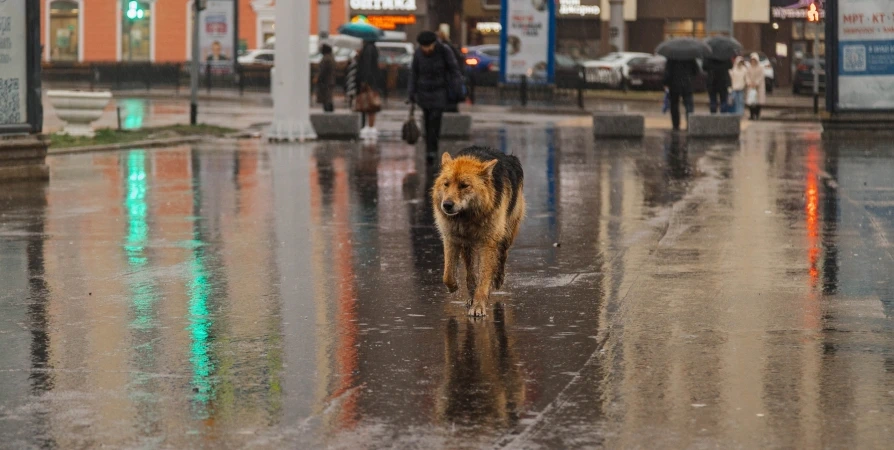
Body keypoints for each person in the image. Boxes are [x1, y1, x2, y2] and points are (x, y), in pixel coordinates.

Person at [408, 31, 463, 155]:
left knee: (435, 118)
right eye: (424, 47)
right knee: (427, 120)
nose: (426, 49)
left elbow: (454, 70)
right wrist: (411, 93)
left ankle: (433, 149)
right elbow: (414, 74)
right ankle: (429, 148)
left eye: (428, 46)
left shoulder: (444, 50)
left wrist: (456, 89)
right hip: (423, 92)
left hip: (439, 91)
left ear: (434, 44)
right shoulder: (418, 54)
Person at [663, 58, 700, 131]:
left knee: (674, 105)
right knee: (689, 105)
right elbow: (696, 71)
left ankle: (676, 125)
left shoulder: (672, 57)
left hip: (674, 84)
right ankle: (689, 124)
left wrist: (665, 82)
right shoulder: (690, 57)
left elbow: (667, 71)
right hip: (687, 84)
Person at [356, 39, 383, 138]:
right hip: (372, 80)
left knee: (369, 103)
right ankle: (369, 126)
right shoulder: (371, 48)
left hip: (369, 81)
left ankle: (369, 126)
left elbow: (366, 66)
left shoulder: (368, 49)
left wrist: (365, 81)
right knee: (370, 103)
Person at [437, 30, 465, 113]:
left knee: (448, 104)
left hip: (449, 80)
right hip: (451, 80)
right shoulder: (449, 46)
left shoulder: (445, 48)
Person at [745, 53, 766, 120]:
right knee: (751, 102)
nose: (753, 61)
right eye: (752, 60)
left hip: (758, 87)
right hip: (751, 86)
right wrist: (749, 82)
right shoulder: (749, 67)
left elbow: (761, 76)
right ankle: (751, 115)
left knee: (758, 102)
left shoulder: (761, 67)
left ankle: (757, 115)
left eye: (754, 60)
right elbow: (747, 76)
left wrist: (756, 83)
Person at [316, 44, 336, 113]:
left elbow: (322, 70)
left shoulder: (326, 58)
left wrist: (318, 77)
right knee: (329, 97)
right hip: (330, 81)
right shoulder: (331, 57)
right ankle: (329, 111)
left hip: (325, 82)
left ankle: (328, 112)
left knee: (327, 98)